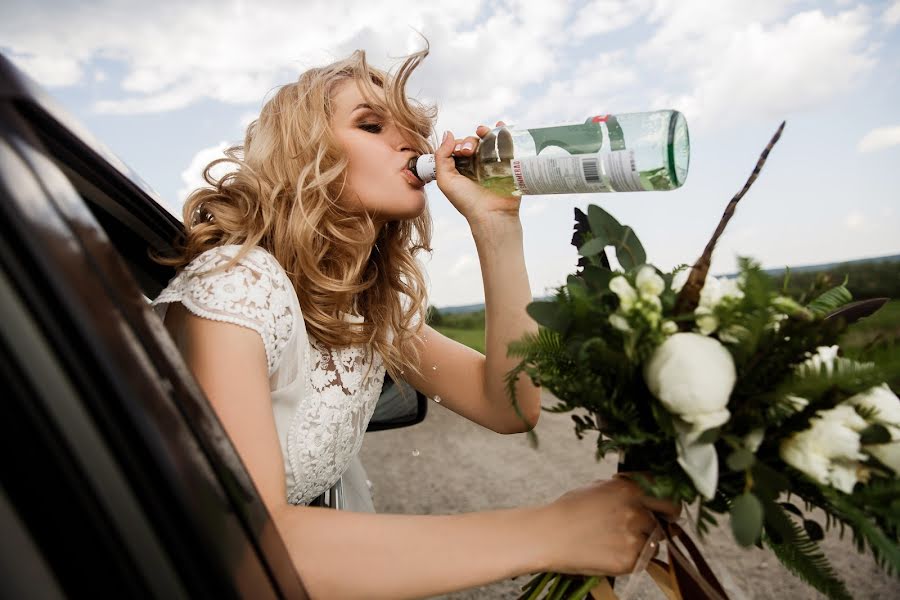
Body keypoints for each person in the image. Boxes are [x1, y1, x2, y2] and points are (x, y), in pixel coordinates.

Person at [151, 43, 677, 599]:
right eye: (372, 124)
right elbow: (253, 546)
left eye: (411, 127)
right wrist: (552, 530)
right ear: (302, 154)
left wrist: (497, 227)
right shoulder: (234, 284)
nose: (410, 141)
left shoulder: (368, 310)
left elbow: (509, 404)